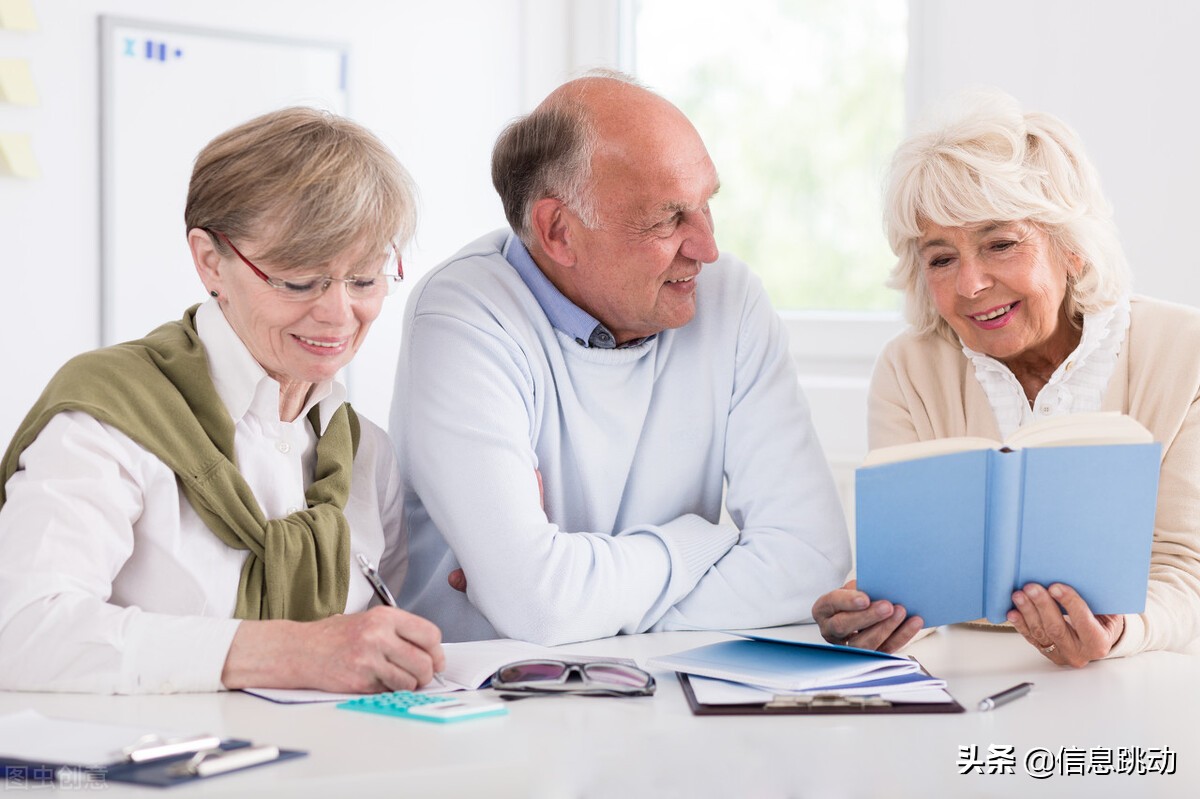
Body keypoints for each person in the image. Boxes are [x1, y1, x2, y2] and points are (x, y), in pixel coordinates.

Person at [391, 71, 850, 645]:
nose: (706, 248)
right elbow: (540, 607)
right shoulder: (464, 313)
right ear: (558, 231)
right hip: (489, 687)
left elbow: (811, 561)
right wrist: (702, 541)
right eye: (668, 218)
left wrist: (583, 601)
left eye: (707, 205)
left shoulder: (728, 299)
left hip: (667, 685)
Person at [0, 107, 444, 693]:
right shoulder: (111, 417)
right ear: (210, 261)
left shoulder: (365, 454)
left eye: (364, 279)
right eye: (298, 280)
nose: (339, 314)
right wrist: (292, 653)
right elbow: (22, 632)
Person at [812, 90, 1200, 667]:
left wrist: (1119, 631)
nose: (970, 285)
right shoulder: (908, 369)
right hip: (968, 676)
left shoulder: (1185, 352)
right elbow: (911, 571)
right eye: (941, 258)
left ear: (1072, 247)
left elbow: (1186, 570)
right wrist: (874, 613)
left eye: (1000, 244)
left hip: (1141, 676)